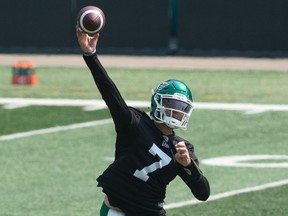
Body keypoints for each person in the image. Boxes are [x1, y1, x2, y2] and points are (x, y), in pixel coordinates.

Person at [76, 27, 210, 216]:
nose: (176, 112)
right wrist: (90, 55)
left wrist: (189, 166)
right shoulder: (134, 123)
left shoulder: (182, 148)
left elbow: (203, 193)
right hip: (117, 211)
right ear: (157, 103)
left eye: (181, 108)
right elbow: (109, 92)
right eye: (171, 103)